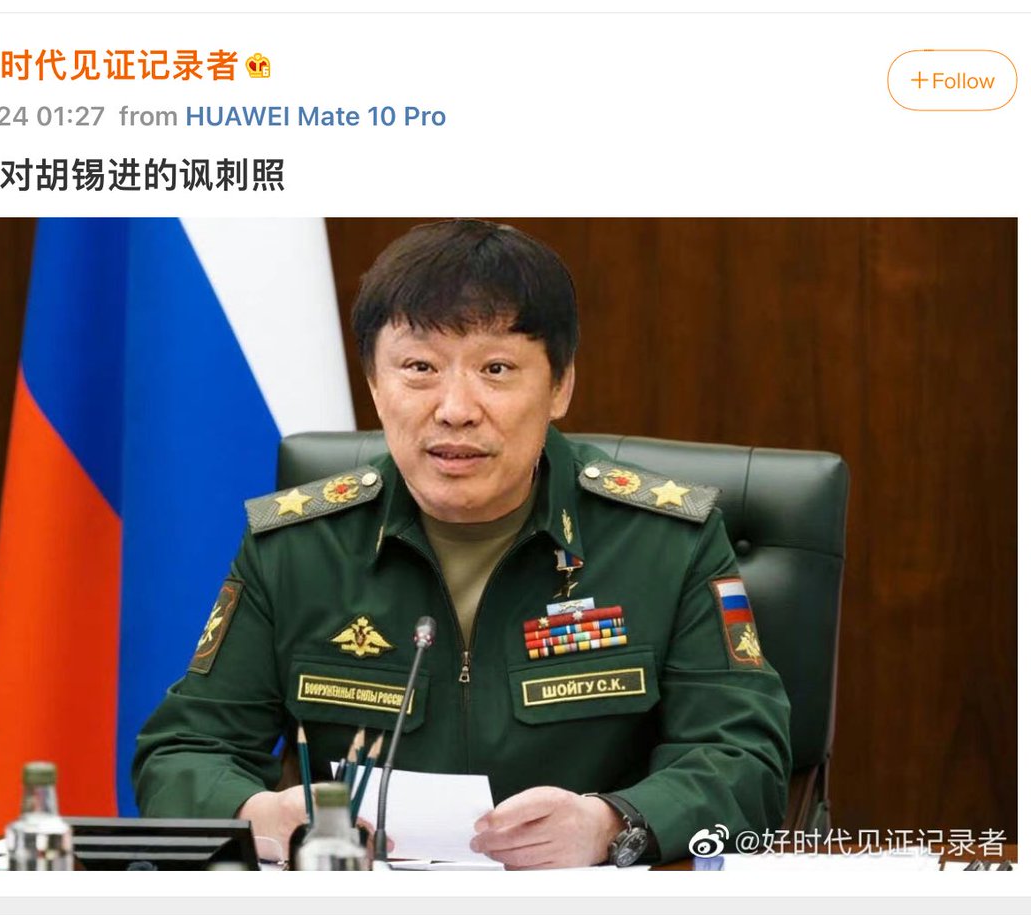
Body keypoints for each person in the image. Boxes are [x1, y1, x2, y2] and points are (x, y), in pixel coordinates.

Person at [132, 219, 791, 868]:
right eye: (419, 367)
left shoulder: (665, 541)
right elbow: (184, 752)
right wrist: (261, 816)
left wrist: (612, 825)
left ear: (560, 386)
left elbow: (743, 759)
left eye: (496, 368)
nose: (455, 408)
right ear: (375, 385)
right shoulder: (299, 546)